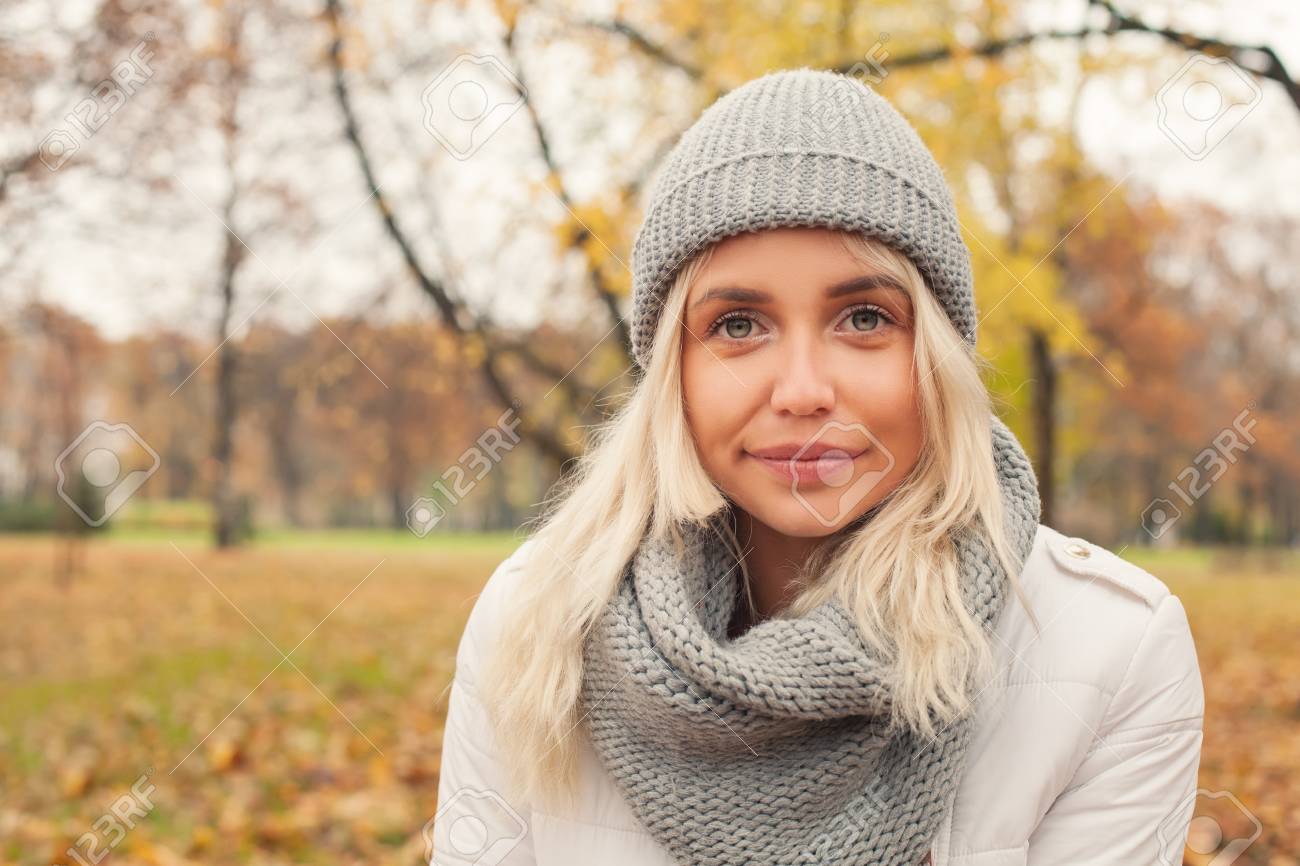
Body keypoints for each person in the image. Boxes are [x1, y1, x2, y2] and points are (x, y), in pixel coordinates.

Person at [429, 68, 1204, 866]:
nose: (802, 391)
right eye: (738, 325)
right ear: (673, 374)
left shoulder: (1111, 652)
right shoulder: (536, 625)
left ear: (935, 357)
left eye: (864, 318)